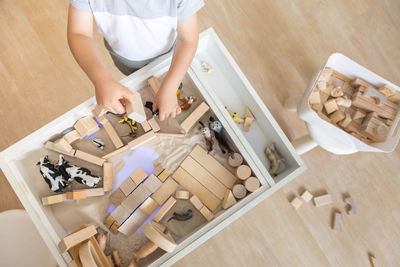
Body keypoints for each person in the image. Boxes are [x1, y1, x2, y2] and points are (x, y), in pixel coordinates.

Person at [67, 1, 204, 120]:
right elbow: (79, 33)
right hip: (125, 59)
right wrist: (100, 80)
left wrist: (170, 87)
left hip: (169, 55)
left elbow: (188, 40)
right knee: (137, 77)